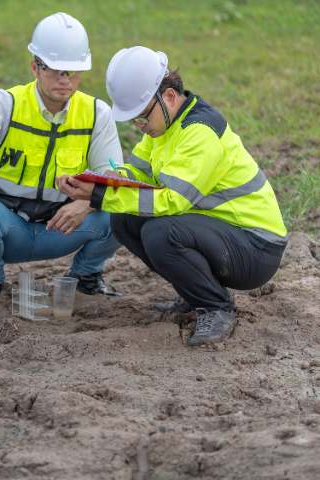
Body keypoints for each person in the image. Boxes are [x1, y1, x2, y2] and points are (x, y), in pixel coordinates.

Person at [57, 46, 287, 346]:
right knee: (125, 220)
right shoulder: (164, 124)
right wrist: (104, 181)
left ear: (167, 96)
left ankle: (217, 308)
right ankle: (196, 295)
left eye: (141, 118)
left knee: (161, 232)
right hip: (221, 233)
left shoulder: (199, 132)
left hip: (256, 248)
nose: (140, 126)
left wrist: (99, 196)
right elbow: (138, 171)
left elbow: (171, 202)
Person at [0, 12, 123, 315]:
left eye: (73, 71)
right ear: (35, 67)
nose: (65, 80)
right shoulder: (5, 104)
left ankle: (86, 276)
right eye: (56, 70)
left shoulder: (97, 113)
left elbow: (115, 176)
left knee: (124, 214)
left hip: (62, 226)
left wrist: (87, 204)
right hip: (6, 227)